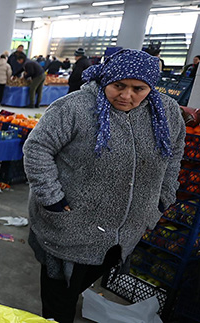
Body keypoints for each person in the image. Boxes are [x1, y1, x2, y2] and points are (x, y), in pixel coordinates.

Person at [23, 49, 184, 323]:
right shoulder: (74, 108)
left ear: (151, 87)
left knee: (86, 281)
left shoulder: (166, 113)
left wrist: (163, 197)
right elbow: (37, 148)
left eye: (138, 88)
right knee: (59, 301)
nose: (126, 95)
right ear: (105, 77)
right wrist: (52, 198)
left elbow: (174, 153)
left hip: (125, 230)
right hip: (69, 228)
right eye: (118, 85)